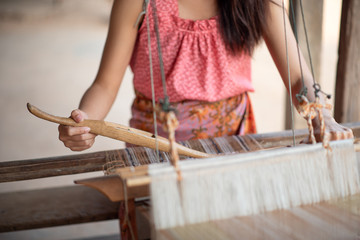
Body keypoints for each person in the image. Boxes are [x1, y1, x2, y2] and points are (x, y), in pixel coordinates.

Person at [58, 0, 353, 151]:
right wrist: (86, 121)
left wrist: (321, 116)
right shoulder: (141, 2)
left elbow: (298, 76)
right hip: (155, 147)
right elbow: (105, 85)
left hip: (235, 144)